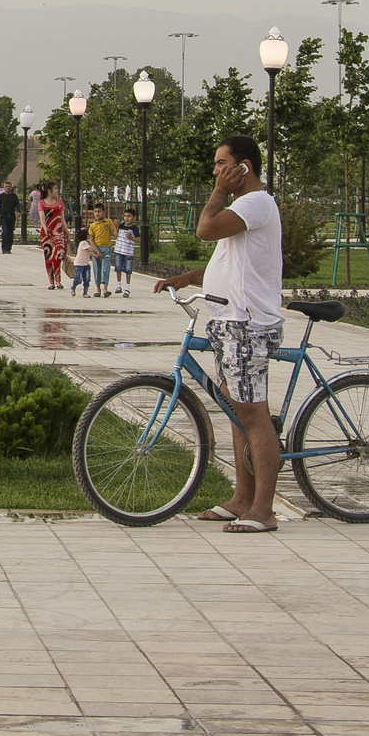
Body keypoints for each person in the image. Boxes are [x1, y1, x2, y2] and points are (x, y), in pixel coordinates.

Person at [153, 135, 286, 533]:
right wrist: (187, 278)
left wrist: (217, 192)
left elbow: (205, 229)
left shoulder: (255, 203)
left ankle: (263, 509)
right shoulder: (245, 207)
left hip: (247, 324)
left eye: (220, 163)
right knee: (237, 414)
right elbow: (226, 263)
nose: (215, 171)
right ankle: (241, 499)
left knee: (253, 416)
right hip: (230, 321)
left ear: (242, 167)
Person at [38, 182, 66, 289]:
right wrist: (45, 228)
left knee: (58, 254)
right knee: (48, 257)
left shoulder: (59, 202)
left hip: (58, 232)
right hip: (47, 234)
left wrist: (66, 233)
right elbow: (42, 219)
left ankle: (58, 280)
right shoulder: (41, 203)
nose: (57, 190)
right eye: (55, 188)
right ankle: (51, 282)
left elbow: (62, 218)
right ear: (49, 191)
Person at [89, 204, 116, 297]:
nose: (97, 213)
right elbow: (91, 240)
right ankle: (98, 289)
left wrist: (116, 226)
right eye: (95, 211)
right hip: (97, 248)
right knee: (97, 269)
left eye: (99, 211)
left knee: (105, 268)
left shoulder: (108, 222)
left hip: (106, 248)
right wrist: (97, 251)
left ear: (103, 212)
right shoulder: (92, 226)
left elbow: (115, 234)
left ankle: (105, 288)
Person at [114, 209, 139, 297]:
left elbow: (139, 239)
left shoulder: (134, 229)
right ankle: (119, 285)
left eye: (129, 216)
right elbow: (115, 235)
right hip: (118, 250)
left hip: (128, 252)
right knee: (118, 268)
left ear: (134, 218)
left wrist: (132, 238)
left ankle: (127, 288)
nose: (126, 218)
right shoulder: (121, 226)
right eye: (125, 216)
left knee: (128, 270)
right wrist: (115, 227)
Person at [71, 224, 94, 296]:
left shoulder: (85, 244)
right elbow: (91, 249)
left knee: (87, 279)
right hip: (79, 265)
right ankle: (73, 287)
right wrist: (93, 242)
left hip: (86, 264)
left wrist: (97, 256)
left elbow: (89, 253)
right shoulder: (83, 243)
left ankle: (85, 293)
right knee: (79, 279)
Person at [0, 181, 17, 253]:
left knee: (10, 232)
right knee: (5, 231)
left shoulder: (14, 196)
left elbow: (17, 204)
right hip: (3, 216)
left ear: (11, 187)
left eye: (9, 186)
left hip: (11, 216)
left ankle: (9, 248)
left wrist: (18, 211)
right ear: (4, 187)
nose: (8, 188)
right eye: (6, 186)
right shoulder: (1, 196)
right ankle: (4, 248)